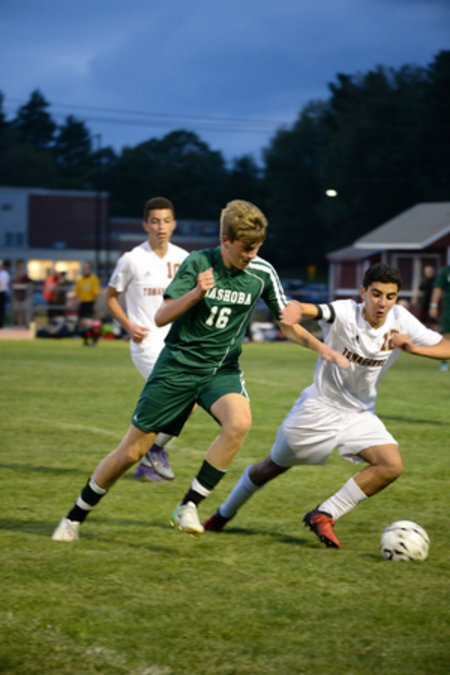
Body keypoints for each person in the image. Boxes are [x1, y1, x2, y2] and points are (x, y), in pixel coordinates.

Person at [51, 199, 348, 542]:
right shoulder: (197, 263)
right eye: (245, 248)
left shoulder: (262, 272)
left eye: (257, 247)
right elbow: (161, 317)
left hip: (221, 370)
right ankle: (74, 517)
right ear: (225, 240)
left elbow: (286, 323)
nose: (251, 255)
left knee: (239, 422)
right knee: (131, 452)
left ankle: (188, 505)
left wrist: (322, 348)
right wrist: (196, 292)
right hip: (177, 366)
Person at [203, 263, 450, 548]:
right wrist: (297, 309)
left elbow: (446, 347)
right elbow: (315, 310)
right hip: (318, 409)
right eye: (376, 294)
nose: (382, 303)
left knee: (391, 465)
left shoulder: (400, 319)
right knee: (270, 468)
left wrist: (414, 348)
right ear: (363, 293)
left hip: (359, 413)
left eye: (390, 296)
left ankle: (324, 514)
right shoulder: (346, 312)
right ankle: (223, 514)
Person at [106, 196, 189, 482]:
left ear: (174, 224)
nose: (160, 227)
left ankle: (151, 453)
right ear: (145, 225)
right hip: (147, 343)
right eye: (154, 221)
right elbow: (111, 297)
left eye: (166, 221)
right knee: (177, 396)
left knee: (189, 402)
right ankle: (149, 454)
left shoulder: (184, 258)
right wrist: (129, 326)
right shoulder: (132, 259)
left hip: (177, 342)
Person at [73, 262, 101, 345]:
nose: (85, 270)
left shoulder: (94, 279)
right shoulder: (80, 279)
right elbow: (76, 292)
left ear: (90, 269)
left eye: (86, 268)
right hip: (82, 303)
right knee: (81, 322)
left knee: (88, 322)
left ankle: (94, 337)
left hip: (90, 303)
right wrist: (75, 300)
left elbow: (96, 293)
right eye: (83, 268)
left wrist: (95, 305)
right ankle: (85, 340)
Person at [429, 264, 450, 372]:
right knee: (447, 335)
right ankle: (444, 362)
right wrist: (434, 305)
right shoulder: (446, 271)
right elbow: (438, 288)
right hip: (448, 308)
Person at [11, 261, 34, 328]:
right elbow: (12, 287)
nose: (20, 272)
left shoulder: (27, 280)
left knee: (27, 312)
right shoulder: (15, 279)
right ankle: (20, 326)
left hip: (26, 298)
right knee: (18, 313)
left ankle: (27, 326)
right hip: (17, 298)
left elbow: (31, 288)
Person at [0, 260, 10, 328]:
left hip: (2, 293)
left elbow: (3, 283)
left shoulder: (5, 274)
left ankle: (1, 324)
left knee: (1, 309)